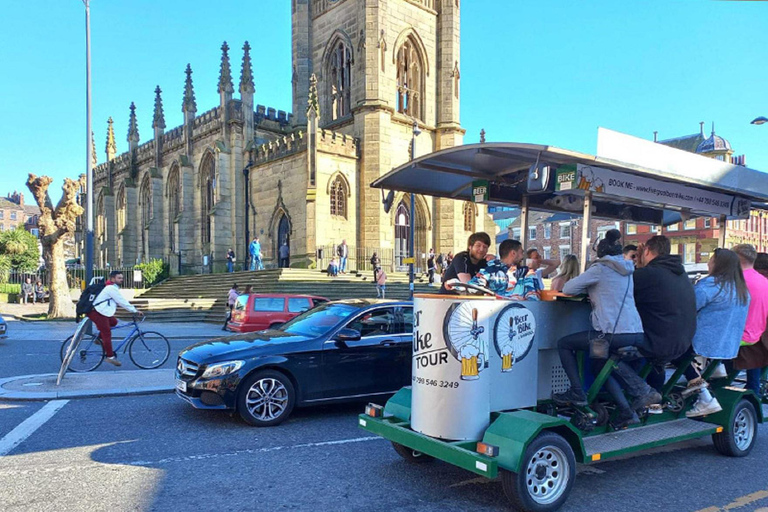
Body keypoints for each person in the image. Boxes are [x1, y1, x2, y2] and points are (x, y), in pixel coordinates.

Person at [553, 229, 660, 429]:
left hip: (611, 334)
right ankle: (627, 412)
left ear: (601, 253)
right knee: (600, 365)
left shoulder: (600, 269)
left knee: (565, 344)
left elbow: (567, 289)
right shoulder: (628, 268)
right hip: (636, 332)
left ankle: (577, 391)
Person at [681, 249, 750, 417]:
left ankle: (705, 398)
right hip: (727, 344)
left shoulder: (710, 285)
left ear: (719, 264)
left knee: (671, 351)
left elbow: (687, 309)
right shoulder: (741, 290)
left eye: (711, 260)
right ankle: (715, 367)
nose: (708, 263)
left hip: (703, 342)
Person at [633, 235, 697, 391]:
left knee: (606, 349)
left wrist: (640, 268)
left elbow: (620, 293)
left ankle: (642, 394)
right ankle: (654, 399)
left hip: (659, 342)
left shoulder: (649, 274)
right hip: (684, 341)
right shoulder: (681, 274)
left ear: (647, 250)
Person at [732, 244, 768, 396]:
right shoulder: (763, 281)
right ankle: (754, 390)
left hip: (744, 337)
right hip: (758, 334)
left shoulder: (738, 280)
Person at [88, 271, 143, 367]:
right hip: (97, 312)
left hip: (103, 312)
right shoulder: (111, 289)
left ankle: (98, 338)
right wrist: (134, 310)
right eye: (119, 278)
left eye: (122, 278)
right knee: (107, 333)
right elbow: (121, 301)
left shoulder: (112, 288)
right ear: (112, 279)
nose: (121, 280)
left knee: (114, 322)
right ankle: (110, 357)